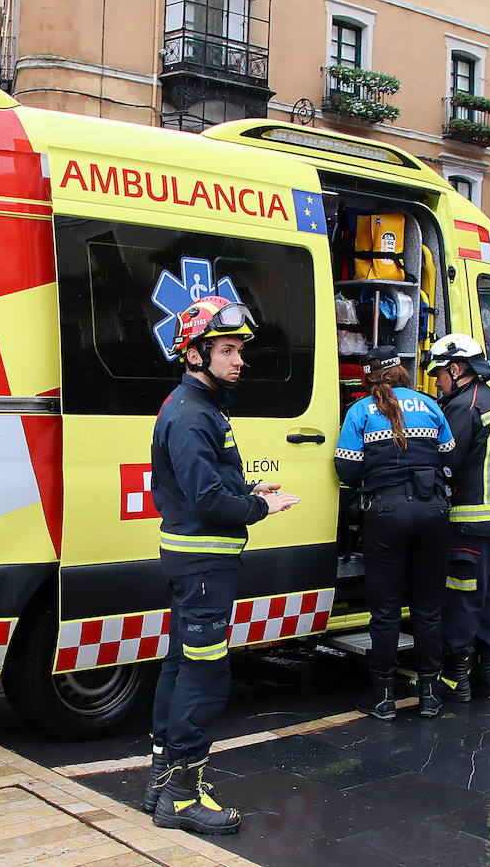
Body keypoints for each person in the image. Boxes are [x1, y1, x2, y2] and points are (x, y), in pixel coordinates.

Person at [146, 296, 299, 836]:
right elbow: (208, 499)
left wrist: (247, 489)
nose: (239, 361)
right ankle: (183, 799)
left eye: (239, 351)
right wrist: (258, 507)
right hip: (204, 563)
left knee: (181, 665)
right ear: (194, 354)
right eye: (227, 350)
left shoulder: (199, 407)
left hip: (197, 561)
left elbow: (199, 486)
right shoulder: (191, 414)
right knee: (206, 674)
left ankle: (164, 781)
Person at [335, 345, 454, 720]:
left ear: (371, 376)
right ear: (402, 371)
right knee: (429, 609)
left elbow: (347, 469)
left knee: (385, 610)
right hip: (433, 510)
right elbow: (449, 455)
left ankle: (383, 696)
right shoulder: (430, 406)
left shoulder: (360, 411)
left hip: (385, 513)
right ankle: (431, 695)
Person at [426, 334, 490, 702]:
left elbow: (446, 460)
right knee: (489, 596)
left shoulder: (464, 408)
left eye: (439, 374)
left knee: (462, 599)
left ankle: (455, 678)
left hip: (468, 522)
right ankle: (489, 676)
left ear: (457, 368)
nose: (436, 381)